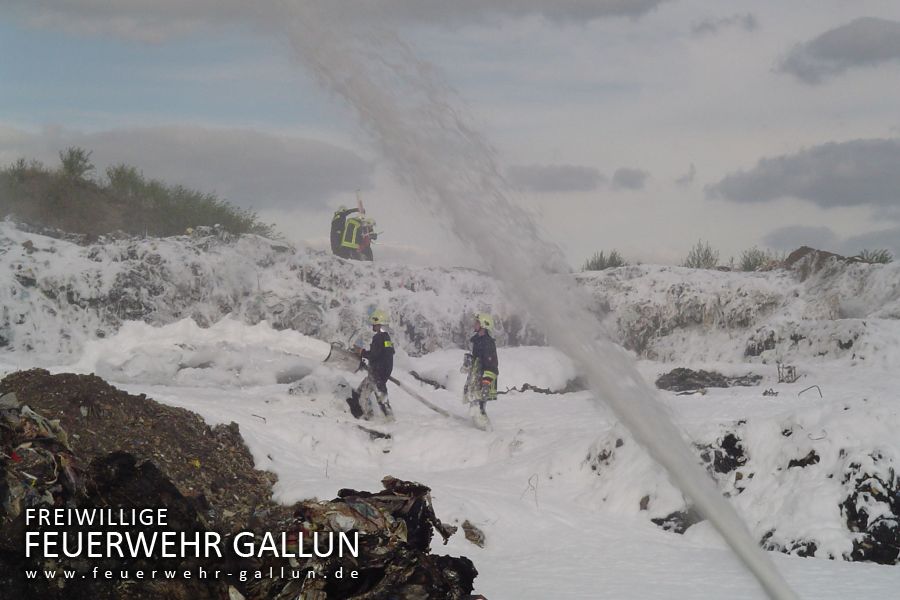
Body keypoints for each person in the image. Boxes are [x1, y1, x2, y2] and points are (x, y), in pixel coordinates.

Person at [354, 308, 395, 420]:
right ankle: (366, 415)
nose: (373, 325)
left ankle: (389, 421)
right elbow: (388, 353)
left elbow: (374, 354)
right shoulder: (387, 338)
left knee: (381, 398)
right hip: (381, 372)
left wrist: (361, 352)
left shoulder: (378, 337)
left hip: (377, 373)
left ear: (380, 324)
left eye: (375, 323)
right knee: (361, 392)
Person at [463, 313, 498, 430]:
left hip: (484, 379)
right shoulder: (477, 340)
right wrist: (469, 360)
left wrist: (486, 383)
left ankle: (486, 428)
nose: (475, 324)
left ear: (484, 325)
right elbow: (477, 357)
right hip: (477, 376)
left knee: (480, 405)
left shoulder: (488, 343)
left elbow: (491, 365)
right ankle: (476, 423)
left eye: (477, 322)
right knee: (474, 401)